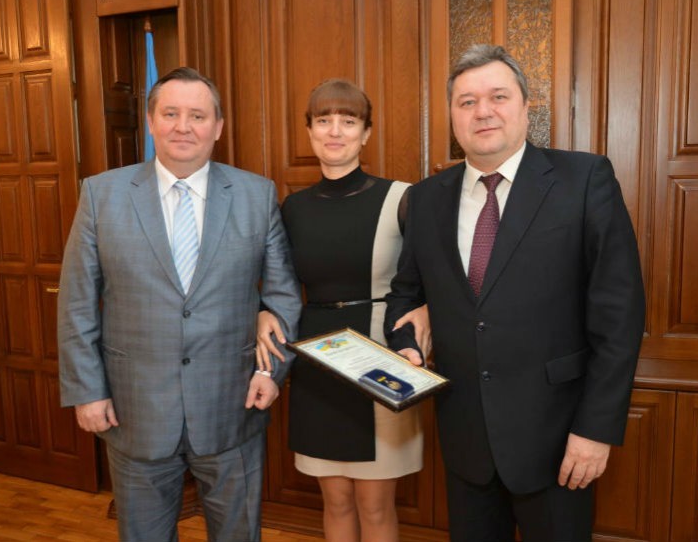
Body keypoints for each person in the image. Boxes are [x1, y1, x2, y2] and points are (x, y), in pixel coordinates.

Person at [384, 44, 646, 541]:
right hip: (465, 441)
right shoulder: (425, 199)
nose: (482, 111)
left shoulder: (584, 180)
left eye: (498, 97)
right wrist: (406, 344)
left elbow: (620, 316)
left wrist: (595, 429)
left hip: (559, 441)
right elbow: (405, 294)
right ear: (452, 116)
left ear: (527, 107)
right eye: (466, 102)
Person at [58, 67, 302, 542]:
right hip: (134, 410)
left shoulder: (256, 194)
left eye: (197, 115)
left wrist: (270, 372)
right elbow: (77, 302)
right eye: (170, 114)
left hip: (233, 405)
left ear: (218, 127)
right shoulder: (101, 194)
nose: (183, 126)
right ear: (151, 122)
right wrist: (87, 390)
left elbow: (283, 296)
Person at [256, 78, 429, 542]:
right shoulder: (292, 208)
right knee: (333, 501)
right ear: (309, 131)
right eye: (324, 120)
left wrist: (426, 314)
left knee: (375, 505)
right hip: (318, 361)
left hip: (381, 357)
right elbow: (277, 284)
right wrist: (262, 311)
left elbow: (429, 278)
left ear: (366, 133)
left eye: (348, 121)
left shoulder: (402, 197)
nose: (335, 131)